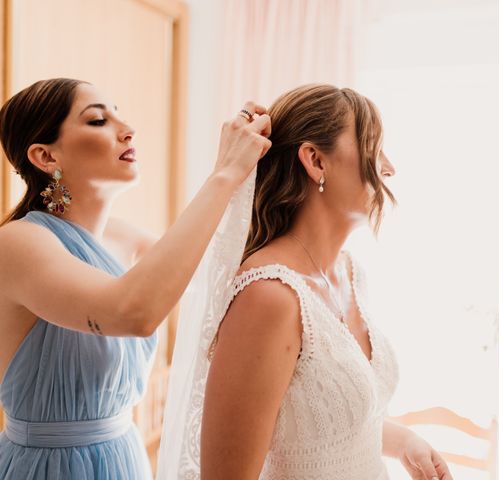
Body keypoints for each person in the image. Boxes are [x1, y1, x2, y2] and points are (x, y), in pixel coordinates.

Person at [159, 84, 453, 480]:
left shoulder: (350, 272)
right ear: (316, 161)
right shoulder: (269, 297)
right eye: (373, 146)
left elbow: (318, 423)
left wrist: (402, 441)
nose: (388, 167)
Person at [0, 78, 271, 479]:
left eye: (118, 114)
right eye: (97, 121)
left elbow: (218, 264)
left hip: (124, 458)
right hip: (49, 467)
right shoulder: (17, 244)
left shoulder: (124, 238)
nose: (127, 129)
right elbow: (133, 311)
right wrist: (224, 173)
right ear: (45, 155)